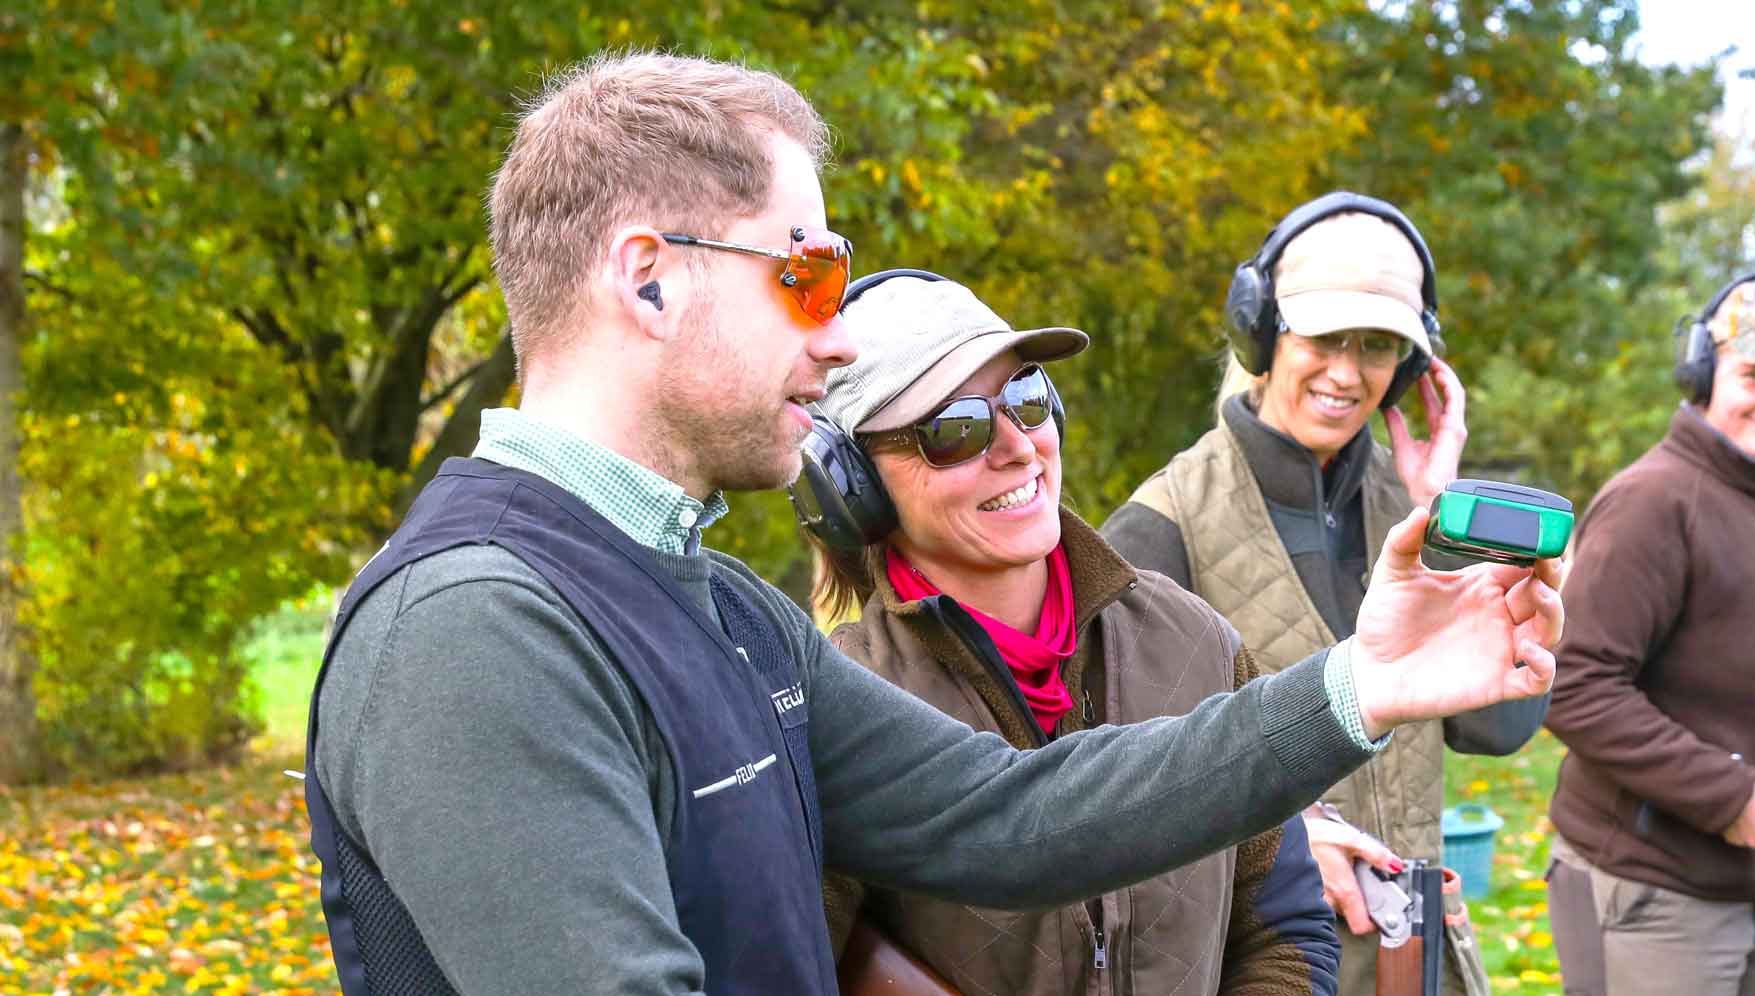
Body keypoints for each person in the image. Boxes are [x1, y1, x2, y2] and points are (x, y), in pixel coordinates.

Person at [301, 54, 1563, 996]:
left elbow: (1015, 816)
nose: (833, 338)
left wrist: (1362, 684)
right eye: (804, 273)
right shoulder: (473, 633)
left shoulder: (723, 610)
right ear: (649, 279)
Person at [800, 269, 1341, 996]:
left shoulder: (1195, 640)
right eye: (953, 430)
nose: (1018, 447)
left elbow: (1287, 932)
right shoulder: (839, 709)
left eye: (1026, 398)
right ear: (851, 486)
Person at [1103, 192, 1543, 996]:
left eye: (1377, 346)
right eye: (1323, 337)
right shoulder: (1161, 525)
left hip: (1415, 963)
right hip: (1263, 965)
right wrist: (1289, 831)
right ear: (1262, 332)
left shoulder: (1413, 503)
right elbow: (1116, 793)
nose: (1347, 372)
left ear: (1408, 370)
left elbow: (1497, 728)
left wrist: (1445, 525)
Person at [1540, 273, 1755, 996]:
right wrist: (1729, 795)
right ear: (1704, 372)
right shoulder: (1651, 502)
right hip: (1653, 892)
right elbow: (1573, 686)